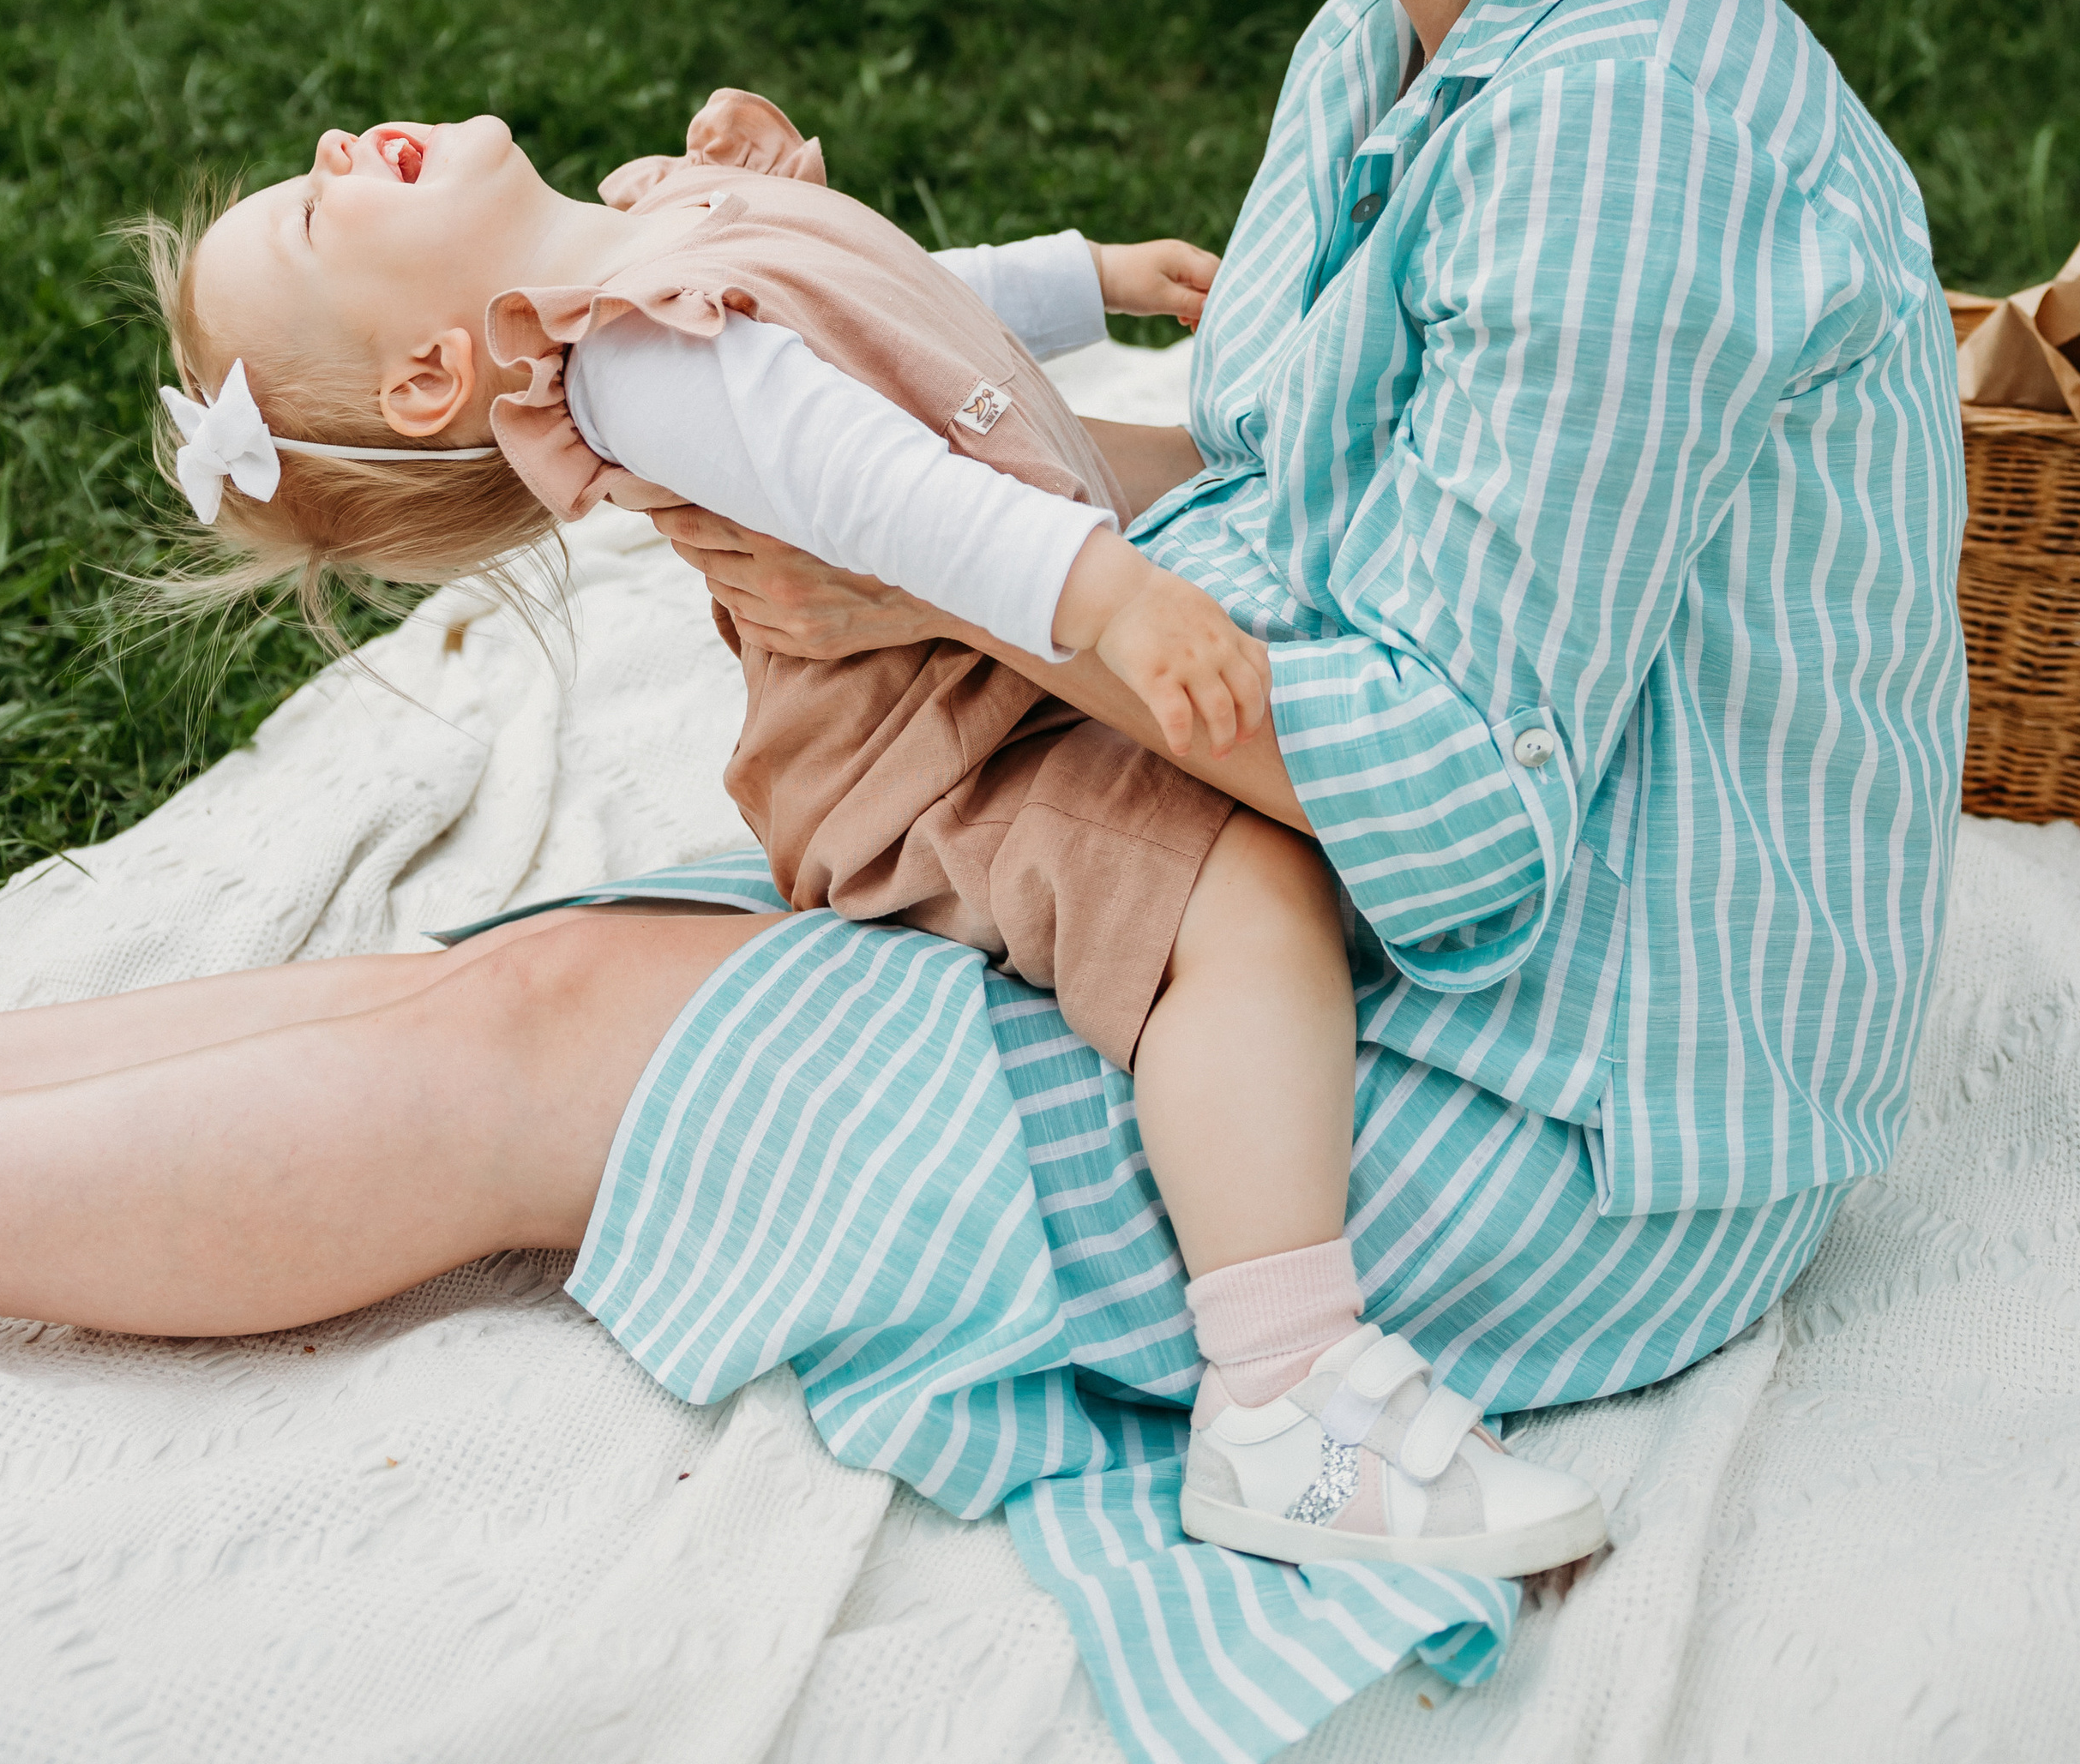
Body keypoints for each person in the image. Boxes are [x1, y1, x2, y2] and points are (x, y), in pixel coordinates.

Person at [0, 0, 1963, 1691]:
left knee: (572, 1052)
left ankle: (1295, 1395)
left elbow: (1447, 806)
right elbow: (1283, 495)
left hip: (1577, 1119)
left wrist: (961, 588)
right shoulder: (1383, 46)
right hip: (1382, 958)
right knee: (533, 969)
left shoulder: (1639, 135)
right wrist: (977, 516)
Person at [111, 76, 1605, 1580]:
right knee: (1236, 891)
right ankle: (1285, 1397)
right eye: (313, 214)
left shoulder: (653, 230)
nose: (325, 148)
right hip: (937, 747)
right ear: (434, 375)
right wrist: (1116, 600)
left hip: (984, 664)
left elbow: (883, 307)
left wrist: (1082, 282)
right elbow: (883, 487)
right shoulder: (640, 361)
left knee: (1256, 813)